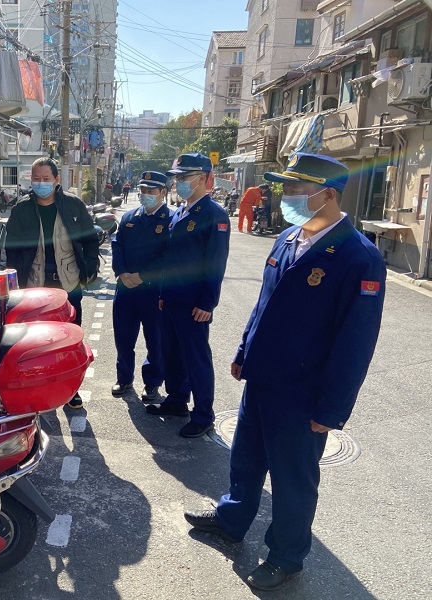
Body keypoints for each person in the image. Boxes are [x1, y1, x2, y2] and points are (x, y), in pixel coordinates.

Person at [184, 153, 386, 591]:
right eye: (286, 188)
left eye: (295, 189)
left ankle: (287, 555)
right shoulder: (290, 238)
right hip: (262, 377)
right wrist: (243, 352)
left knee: (293, 478)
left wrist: (332, 410)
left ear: (327, 195)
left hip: (304, 392)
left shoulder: (358, 256)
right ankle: (232, 518)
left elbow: (356, 343)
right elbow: (264, 305)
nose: (285, 196)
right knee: (246, 456)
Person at [5, 156, 100, 409]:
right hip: (34, 286)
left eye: (46, 179)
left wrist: (89, 270)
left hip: (68, 283)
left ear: (57, 180)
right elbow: (11, 249)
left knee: (69, 339)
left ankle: (72, 389)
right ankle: (40, 388)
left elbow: (91, 239)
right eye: (36, 179)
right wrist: (13, 282)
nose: (40, 183)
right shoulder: (21, 209)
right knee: (37, 342)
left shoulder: (73, 206)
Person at [146, 153, 230, 438]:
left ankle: (204, 413)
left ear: (205, 178)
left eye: (185, 177)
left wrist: (208, 302)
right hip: (171, 298)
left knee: (196, 358)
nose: (179, 183)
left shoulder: (213, 214)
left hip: (194, 303)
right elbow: (170, 259)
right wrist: (161, 293)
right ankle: (177, 400)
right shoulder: (181, 211)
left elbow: (215, 262)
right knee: (172, 353)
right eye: (178, 178)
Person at [110, 171, 171, 401]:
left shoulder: (170, 220)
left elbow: (168, 256)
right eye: (143, 190)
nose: (145, 195)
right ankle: (124, 378)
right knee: (123, 337)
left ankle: (153, 382)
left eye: (151, 191)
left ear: (163, 193)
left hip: (153, 290)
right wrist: (123, 272)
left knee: (155, 339)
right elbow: (117, 246)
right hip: (126, 288)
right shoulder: (129, 217)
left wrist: (142, 276)